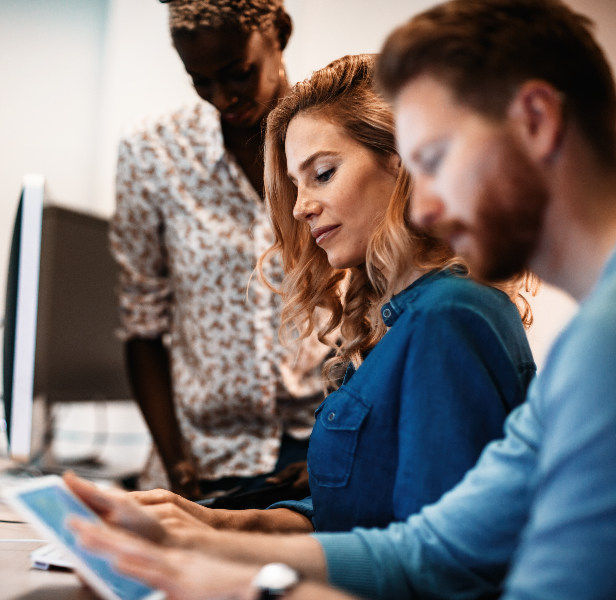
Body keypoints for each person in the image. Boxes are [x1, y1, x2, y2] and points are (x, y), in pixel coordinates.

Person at [69, 0, 616, 599]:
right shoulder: (603, 330)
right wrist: (200, 537)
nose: (423, 207)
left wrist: (256, 588)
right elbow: (431, 550)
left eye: (433, 160)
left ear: (535, 120)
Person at [101, 54, 535, 537]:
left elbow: (431, 559)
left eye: (323, 173)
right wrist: (219, 522)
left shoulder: (450, 315)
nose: (302, 207)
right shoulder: (384, 317)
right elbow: (356, 509)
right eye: (294, 185)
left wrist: (214, 554)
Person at [111, 0, 328, 499]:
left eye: (238, 73)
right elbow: (143, 323)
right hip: (203, 456)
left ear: (278, 35)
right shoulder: (153, 153)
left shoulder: (335, 145)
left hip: (316, 444)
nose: (222, 97)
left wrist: (342, 450)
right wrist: (178, 469)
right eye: (199, 80)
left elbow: (377, 304)